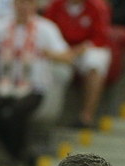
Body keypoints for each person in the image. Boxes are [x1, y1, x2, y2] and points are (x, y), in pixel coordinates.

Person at [0, 0, 73, 166]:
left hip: (33, 86)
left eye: (28, 4)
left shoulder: (46, 28)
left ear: (34, 7)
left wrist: (48, 53)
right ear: (13, 5)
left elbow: (67, 56)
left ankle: (17, 156)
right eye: (20, 3)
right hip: (5, 85)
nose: (23, 8)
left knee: (17, 112)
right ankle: (19, 154)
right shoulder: (3, 26)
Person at [42, 0, 111, 129]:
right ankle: (49, 117)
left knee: (95, 62)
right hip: (62, 49)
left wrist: (77, 51)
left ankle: (86, 116)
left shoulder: (97, 6)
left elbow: (100, 37)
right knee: (54, 68)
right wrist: (60, 53)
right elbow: (46, 29)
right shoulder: (56, 5)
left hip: (86, 49)